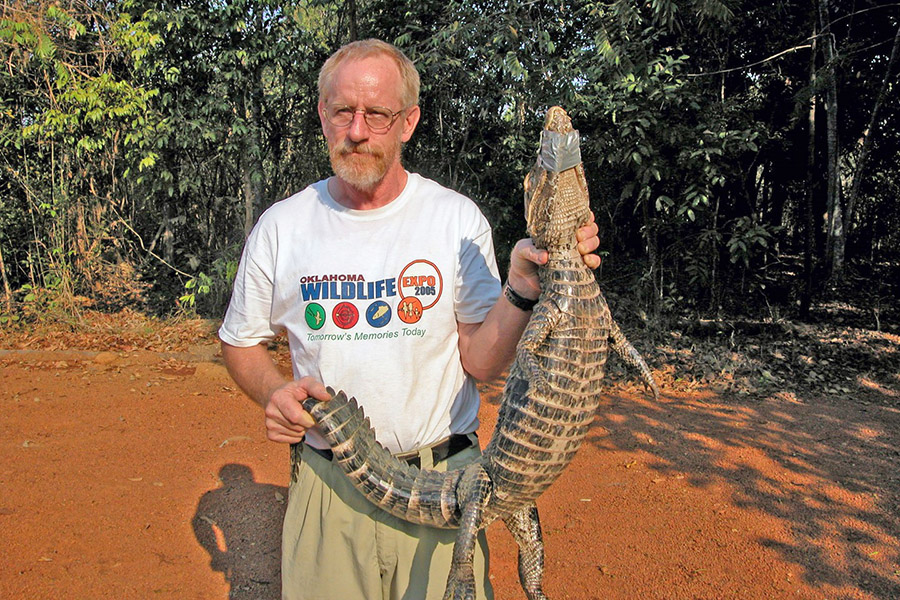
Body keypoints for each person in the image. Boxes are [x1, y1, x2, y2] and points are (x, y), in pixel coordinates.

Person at [218, 38, 600, 600]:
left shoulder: (455, 219)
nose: (358, 130)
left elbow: (480, 361)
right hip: (332, 487)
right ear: (322, 116)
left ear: (408, 121)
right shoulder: (282, 227)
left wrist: (521, 287)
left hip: (448, 488)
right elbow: (241, 343)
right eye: (343, 111)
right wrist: (275, 393)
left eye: (377, 114)